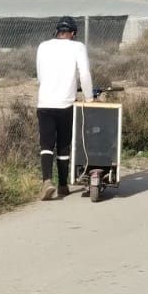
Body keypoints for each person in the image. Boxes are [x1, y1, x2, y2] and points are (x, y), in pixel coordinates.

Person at [35, 15, 93, 199]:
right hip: (65, 103)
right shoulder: (78, 47)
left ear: (57, 31)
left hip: (44, 101)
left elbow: (40, 75)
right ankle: (62, 185)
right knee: (63, 145)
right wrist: (89, 97)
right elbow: (84, 74)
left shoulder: (43, 46)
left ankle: (46, 181)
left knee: (46, 144)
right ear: (73, 33)